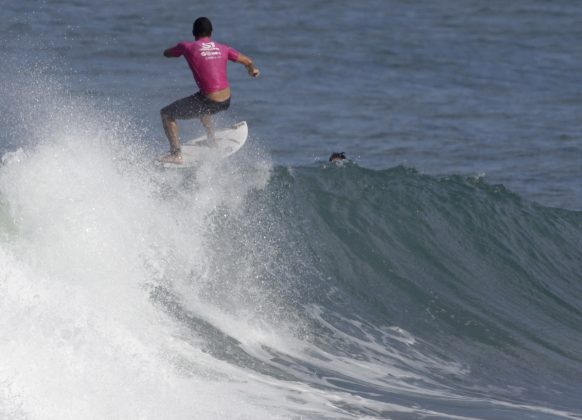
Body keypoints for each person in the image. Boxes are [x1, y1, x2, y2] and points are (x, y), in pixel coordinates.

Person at [160, 17, 260, 164]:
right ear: (211, 33)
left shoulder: (186, 46)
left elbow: (166, 53)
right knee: (201, 101)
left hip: (209, 101)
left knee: (166, 113)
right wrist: (252, 70)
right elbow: (248, 61)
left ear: (193, 33)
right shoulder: (224, 48)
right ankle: (211, 140)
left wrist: (175, 50)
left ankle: (176, 154)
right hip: (226, 100)